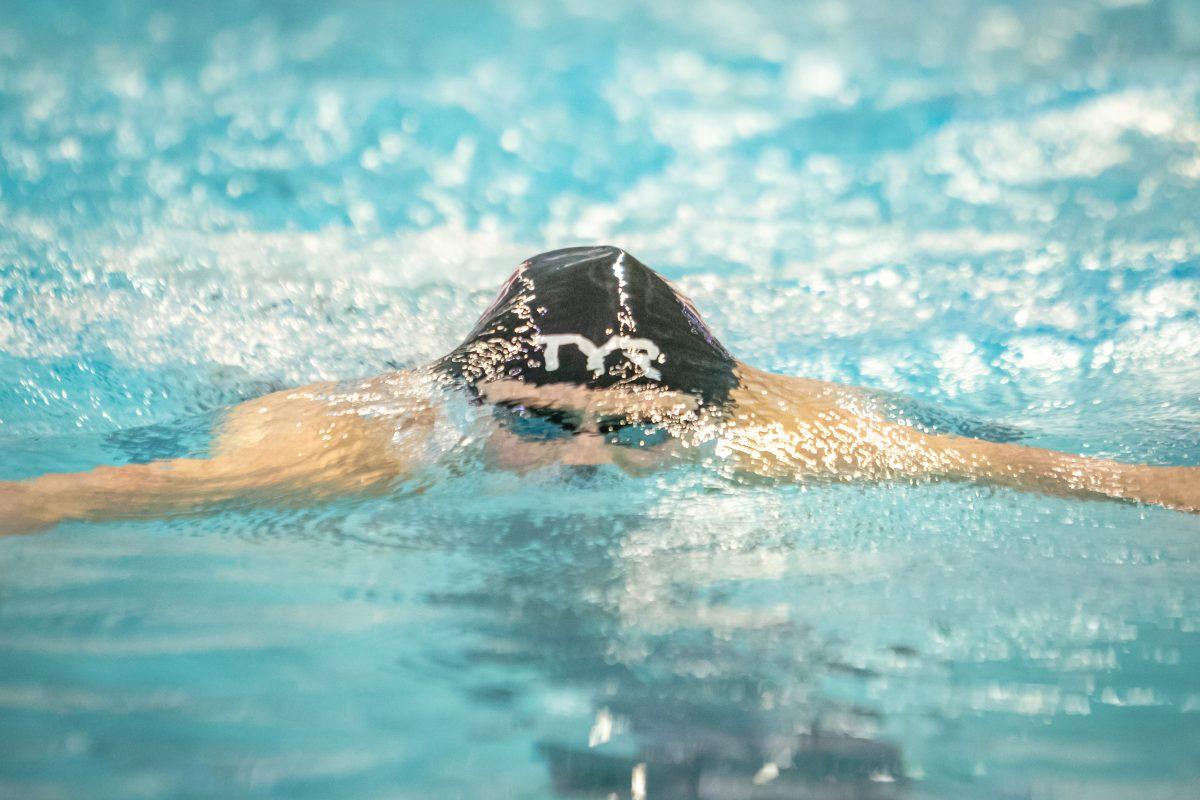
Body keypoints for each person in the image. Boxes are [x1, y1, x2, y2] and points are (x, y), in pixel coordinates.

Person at [1, 245, 1197, 535]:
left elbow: (1084, 472)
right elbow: (121, 488)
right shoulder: (352, 445)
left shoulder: (792, 434)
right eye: (533, 418)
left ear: (700, 418)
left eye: (632, 431)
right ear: (475, 402)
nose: (584, 461)